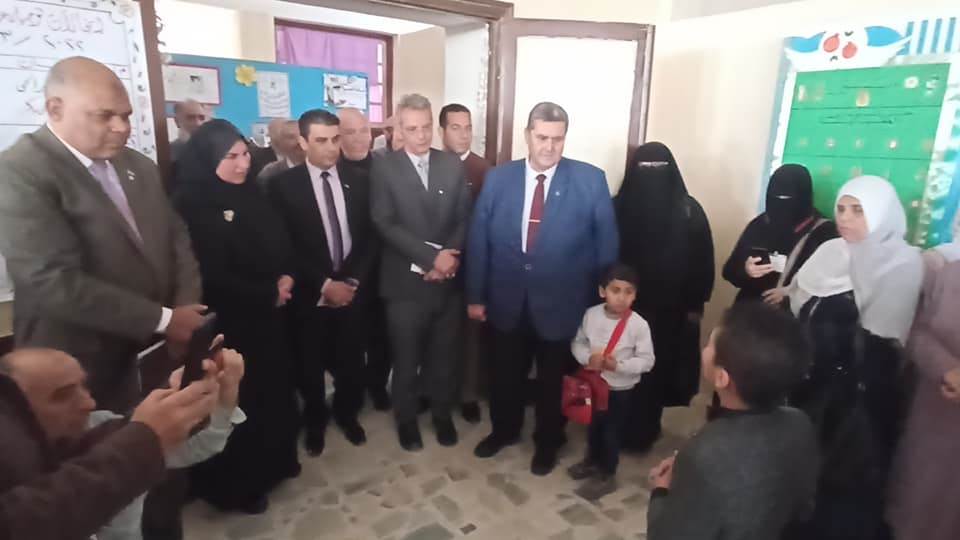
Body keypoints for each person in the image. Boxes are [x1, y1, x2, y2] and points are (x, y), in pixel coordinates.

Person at [0, 56, 204, 414]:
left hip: (155, 350)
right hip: (77, 365)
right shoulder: (20, 170)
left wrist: (186, 307)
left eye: (126, 115)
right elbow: (50, 280)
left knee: (166, 439)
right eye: (104, 116)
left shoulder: (138, 165)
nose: (121, 128)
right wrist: (165, 320)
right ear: (55, 109)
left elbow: (176, 236)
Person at [467, 102, 619, 475]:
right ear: (527, 136)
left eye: (557, 139)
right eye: (542, 137)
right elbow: (479, 239)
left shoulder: (590, 181)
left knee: (553, 381)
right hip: (507, 299)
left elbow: (607, 246)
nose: (549, 146)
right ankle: (504, 430)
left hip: (562, 304)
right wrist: (475, 295)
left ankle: (548, 442)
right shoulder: (498, 179)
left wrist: (600, 307)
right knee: (506, 375)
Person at [172, 119, 301, 514]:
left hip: (270, 320)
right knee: (238, 400)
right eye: (231, 157)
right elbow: (209, 273)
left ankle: (277, 462)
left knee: (273, 394)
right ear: (209, 159)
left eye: (245, 153)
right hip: (231, 323)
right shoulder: (192, 204)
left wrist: (287, 274)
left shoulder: (253, 192)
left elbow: (282, 239)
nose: (243, 164)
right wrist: (267, 291)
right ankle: (240, 486)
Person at [788, 176, 923, 540]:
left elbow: (882, 343)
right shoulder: (832, 251)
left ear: (881, 214)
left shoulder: (900, 262)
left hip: (859, 394)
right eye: (842, 209)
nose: (845, 218)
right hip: (811, 382)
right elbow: (801, 299)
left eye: (858, 210)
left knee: (844, 481)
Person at [1, 347, 243, 540]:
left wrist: (222, 399)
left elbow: (197, 447)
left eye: (83, 386)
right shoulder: (19, 485)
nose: (88, 403)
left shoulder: (100, 423)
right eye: (63, 396)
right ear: (17, 416)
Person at [646, 302, 818, 540]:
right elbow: (803, 504)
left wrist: (661, 490)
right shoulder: (799, 422)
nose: (705, 348)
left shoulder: (703, 455)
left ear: (721, 378)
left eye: (710, 344)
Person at [270, 110, 377, 455]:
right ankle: (315, 420)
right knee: (310, 363)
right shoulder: (283, 186)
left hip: (352, 290)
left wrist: (352, 280)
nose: (331, 148)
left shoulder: (360, 180)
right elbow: (285, 245)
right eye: (321, 140)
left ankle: (348, 414)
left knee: (351, 360)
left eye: (335, 139)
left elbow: (370, 237)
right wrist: (323, 284)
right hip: (309, 292)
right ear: (303, 142)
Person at [371, 94, 471, 451]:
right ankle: (407, 420)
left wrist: (448, 258)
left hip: (447, 282)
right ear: (399, 128)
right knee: (407, 358)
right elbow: (384, 222)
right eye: (412, 129)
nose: (421, 135)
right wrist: (431, 259)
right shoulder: (385, 167)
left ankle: (442, 415)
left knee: (443, 357)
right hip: (404, 284)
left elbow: (463, 217)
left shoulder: (451, 164)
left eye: (427, 127)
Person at [613, 142, 714, 451]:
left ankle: (644, 431)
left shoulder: (689, 210)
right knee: (617, 369)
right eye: (645, 169)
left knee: (655, 371)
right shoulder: (616, 208)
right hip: (621, 307)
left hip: (669, 312)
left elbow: (703, 262)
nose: (651, 176)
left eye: (658, 168)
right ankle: (614, 429)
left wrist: (694, 305)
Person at [887, 246, 960, 540]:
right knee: (919, 509)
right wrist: (946, 368)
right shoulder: (949, 273)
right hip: (933, 415)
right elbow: (915, 331)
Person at [567, 264, 655, 500]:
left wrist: (619, 366)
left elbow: (647, 361)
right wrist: (588, 358)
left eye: (628, 292)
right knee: (593, 426)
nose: (621, 297)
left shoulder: (638, 325)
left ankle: (607, 473)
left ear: (635, 295)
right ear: (602, 291)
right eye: (615, 290)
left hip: (619, 389)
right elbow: (578, 342)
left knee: (611, 431)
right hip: (593, 384)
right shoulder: (591, 315)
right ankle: (591, 461)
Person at [440, 103, 493, 424]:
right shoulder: (430, 163)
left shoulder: (484, 170)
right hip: (434, 265)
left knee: (470, 338)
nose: (463, 134)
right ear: (442, 131)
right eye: (456, 127)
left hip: (472, 266)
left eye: (468, 127)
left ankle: (468, 395)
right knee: (437, 335)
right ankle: (434, 391)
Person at [337, 108, 392, 411]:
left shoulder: (387, 166)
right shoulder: (332, 172)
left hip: (386, 267)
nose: (359, 138)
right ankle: (352, 394)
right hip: (349, 272)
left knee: (384, 336)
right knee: (351, 339)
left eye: (364, 131)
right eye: (350, 132)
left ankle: (378, 385)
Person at [722, 164, 837, 305]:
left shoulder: (824, 233)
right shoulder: (760, 224)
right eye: (775, 197)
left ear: (803, 197)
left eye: (787, 198)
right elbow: (729, 272)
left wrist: (791, 295)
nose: (780, 204)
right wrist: (745, 270)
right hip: (749, 312)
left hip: (792, 316)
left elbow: (831, 288)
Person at [256, 120, 305, 187]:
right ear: (281, 143)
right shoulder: (270, 174)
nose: (299, 141)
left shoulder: (319, 169)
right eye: (291, 137)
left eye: (303, 136)